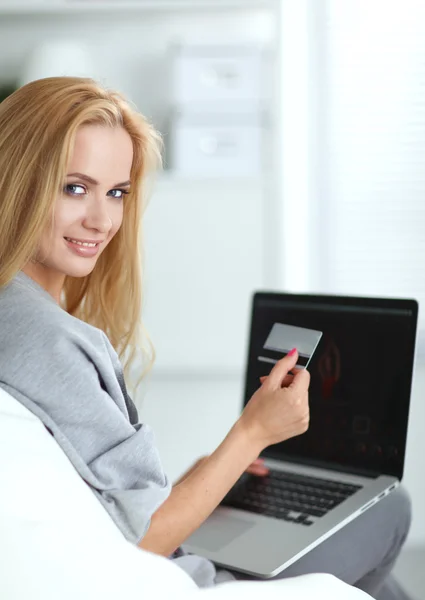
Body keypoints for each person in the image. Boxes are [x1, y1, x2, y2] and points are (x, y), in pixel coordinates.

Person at [0, 77, 412, 600]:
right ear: (18, 179)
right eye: (74, 187)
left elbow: (107, 500)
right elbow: (144, 538)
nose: (102, 220)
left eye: (117, 192)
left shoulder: (14, 314)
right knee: (391, 508)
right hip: (181, 578)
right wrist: (252, 434)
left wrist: (204, 479)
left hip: (164, 555)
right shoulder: (50, 339)